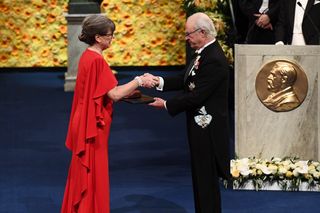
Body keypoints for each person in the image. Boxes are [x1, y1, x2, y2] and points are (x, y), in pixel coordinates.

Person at [61, 14, 157, 213]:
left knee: (86, 172)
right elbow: (113, 94)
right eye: (110, 35)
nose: (112, 38)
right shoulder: (97, 61)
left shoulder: (88, 56)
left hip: (84, 120)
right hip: (92, 126)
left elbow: (101, 92)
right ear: (98, 37)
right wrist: (139, 80)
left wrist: (136, 95)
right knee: (92, 171)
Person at [147, 12, 230, 213]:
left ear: (202, 32)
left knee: (206, 180)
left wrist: (167, 105)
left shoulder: (215, 59)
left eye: (189, 34)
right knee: (200, 179)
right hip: (199, 127)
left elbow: (197, 95)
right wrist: (159, 81)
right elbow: (186, 79)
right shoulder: (203, 52)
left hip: (208, 129)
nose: (186, 38)